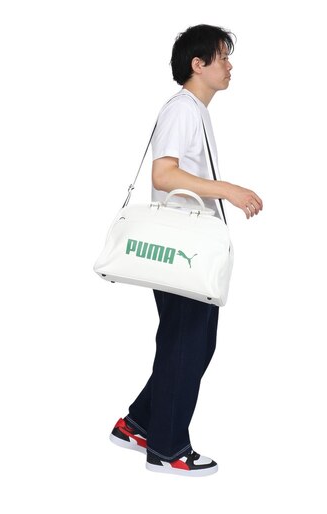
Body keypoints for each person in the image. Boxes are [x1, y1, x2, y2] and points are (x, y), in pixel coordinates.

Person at [109, 24, 263, 476]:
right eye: (222, 57)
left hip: (185, 250)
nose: (230, 65)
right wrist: (228, 189)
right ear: (198, 64)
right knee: (187, 346)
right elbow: (164, 175)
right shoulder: (182, 110)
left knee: (188, 343)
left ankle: (139, 423)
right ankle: (167, 448)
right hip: (182, 251)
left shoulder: (193, 111)